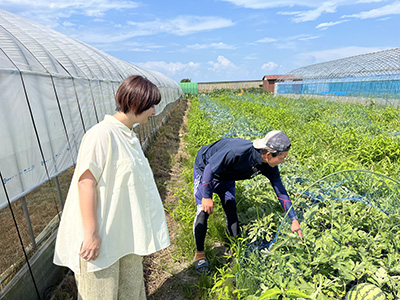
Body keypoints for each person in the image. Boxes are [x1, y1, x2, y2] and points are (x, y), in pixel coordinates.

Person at [53, 75, 170, 299]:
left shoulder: (128, 136)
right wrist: (91, 234)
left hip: (126, 236)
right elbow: (86, 183)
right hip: (101, 240)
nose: (154, 111)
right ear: (137, 102)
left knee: (131, 293)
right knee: (101, 294)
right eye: (151, 105)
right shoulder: (101, 134)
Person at [192, 130, 302, 275]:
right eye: (282, 158)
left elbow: (280, 191)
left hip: (227, 176)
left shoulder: (269, 166)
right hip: (206, 169)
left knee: (231, 208)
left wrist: (293, 219)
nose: (283, 161)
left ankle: (234, 247)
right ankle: (199, 254)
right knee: (203, 210)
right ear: (269, 154)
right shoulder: (236, 152)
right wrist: (207, 196)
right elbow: (209, 168)